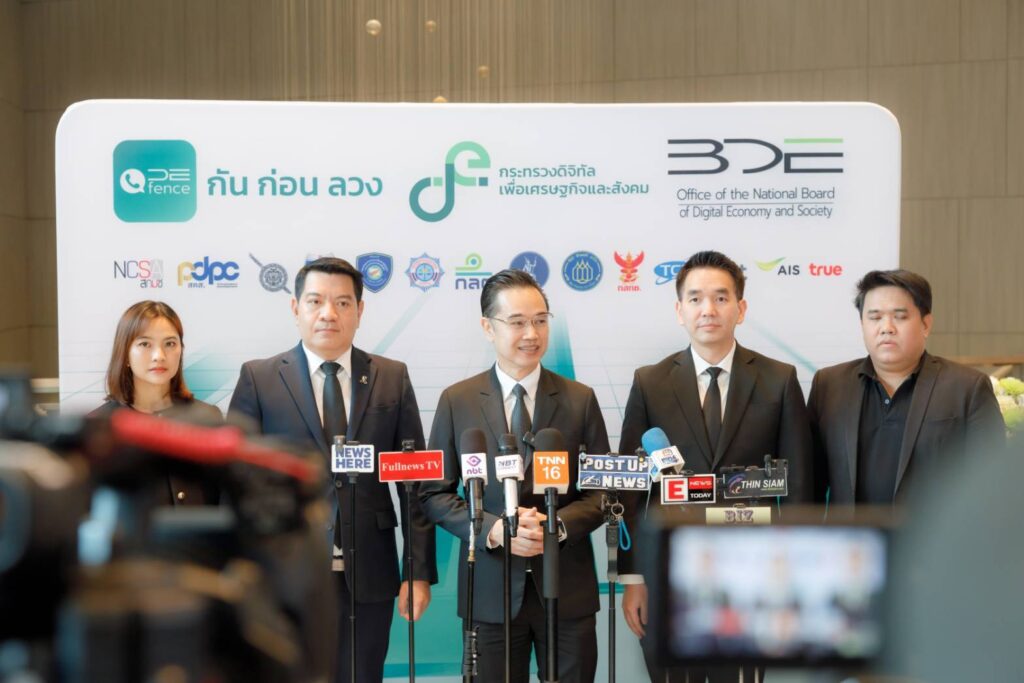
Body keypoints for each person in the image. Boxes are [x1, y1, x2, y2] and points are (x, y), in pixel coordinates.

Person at [228, 257, 437, 683]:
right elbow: (236, 480)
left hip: (371, 570)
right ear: (295, 308)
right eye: (316, 301)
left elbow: (413, 481)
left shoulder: (391, 377)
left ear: (360, 311)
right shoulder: (260, 378)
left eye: (342, 303)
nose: (329, 313)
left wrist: (416, 572)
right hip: (286, 572)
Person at [618, 250, 813, 683]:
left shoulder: (779, 379)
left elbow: (799, 484)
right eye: (695, 299)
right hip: (669, 572)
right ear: (679, 310)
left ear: (740, 309)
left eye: (721, 298)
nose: (708, 309)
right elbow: (633, 489)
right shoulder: (650, 382)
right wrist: (634, 578)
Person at [419, 269, 610, 683]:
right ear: (488, 327)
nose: (531, 333)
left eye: (540, 320)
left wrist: (556, 526)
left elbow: (602, 492)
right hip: (490, 592)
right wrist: (492, 530)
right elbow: (434, 494)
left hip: (567, 590)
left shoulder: (579, 399)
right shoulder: (457, 400)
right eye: (518, 322)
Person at [808, 269, 1005, 505]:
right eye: (875, 317)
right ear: (862, 325)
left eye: (900, 317)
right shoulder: (829, 385)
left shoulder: (967, 388)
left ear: (926, 324)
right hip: (852, 530)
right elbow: (811, 482)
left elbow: (991, 485)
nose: (886, 327)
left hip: (932, 530)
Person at [92, 300, 222, 506]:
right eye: (145, 344)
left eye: (170, 343)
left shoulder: (208, 418)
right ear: (125, 353)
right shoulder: (102, 426)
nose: (159, 356)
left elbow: (222, 496)